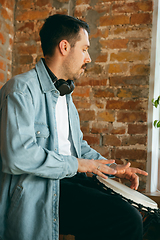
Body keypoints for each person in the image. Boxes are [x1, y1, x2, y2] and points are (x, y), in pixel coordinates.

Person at [0, 14, 148, 240]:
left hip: (67, 181)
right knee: (126, 219)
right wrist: (78, 164)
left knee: (131, 212)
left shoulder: (65, 95)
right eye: (85, 49)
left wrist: (113, 168)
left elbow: (76, 146)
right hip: (41, 189)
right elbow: (18, 156)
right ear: (64, 47)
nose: (88, 58)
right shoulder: (20, 90)